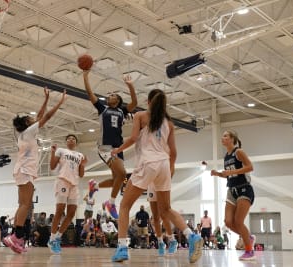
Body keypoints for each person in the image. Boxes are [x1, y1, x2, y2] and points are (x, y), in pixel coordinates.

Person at [110, 89, 203, 263]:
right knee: (166, 209)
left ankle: (122, 247)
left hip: (148, 163)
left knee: (124, 205)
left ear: (148, 101)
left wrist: (117, 150)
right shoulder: (169, 123)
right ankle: (191, 236)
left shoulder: (141, 116)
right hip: (164, 165)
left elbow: (132, 139)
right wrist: (170, 171)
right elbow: (173, 153)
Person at [3, 88, 66, 254]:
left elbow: (39, 115)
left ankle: (16, 237)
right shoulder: (29, 132)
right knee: (26, 204)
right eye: (30, 119)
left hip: (22, 170)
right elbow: (45, 117)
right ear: (27, 124)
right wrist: (59, 102)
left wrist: (46, 99)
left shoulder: (25, 133)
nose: (34, 119)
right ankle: (16, 236)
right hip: (25, 171)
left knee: (23, 204)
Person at [83, 70, 137, 219]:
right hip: (105, 147)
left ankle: (95, 187)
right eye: (109, 95)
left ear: (118, 100)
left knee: (117, 180)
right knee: (121, 174)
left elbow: (135, 103)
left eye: (113, 95)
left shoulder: (122, 111)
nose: (109, 96)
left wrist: (130, 86)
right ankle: (111, 203)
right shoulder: (103, 109)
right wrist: (85, 76)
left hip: (118, 147)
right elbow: (90, 93)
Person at [210, 130, 256, 261]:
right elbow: (230, 174)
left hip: (244, 189)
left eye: (225, 136)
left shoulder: (238, 152)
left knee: (238, 221)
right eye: (222, 136)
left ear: (232, 139)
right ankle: (248, 237)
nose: (222, 138)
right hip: (231, 190)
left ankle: (249, 250)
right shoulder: (226, 156)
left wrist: (232, 171)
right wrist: (218, 174)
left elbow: (250, 167)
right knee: (228, 222)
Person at [47, 133, 87, 254]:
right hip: (63, 180)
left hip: (74, 184)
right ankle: (52, 239)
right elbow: (52, 166)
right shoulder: (61, 150)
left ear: (76, 142)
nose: (71, 139)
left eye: (73, 138)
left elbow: (81, 174)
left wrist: (83, 165)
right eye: (69, 138)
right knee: (60, 210)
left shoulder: (80, 155)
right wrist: (52, 152)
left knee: (71, 214)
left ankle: (58, 237)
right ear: (66, 141)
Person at [147, 186, 178, 256]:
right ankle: (160, 242)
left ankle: (172, 240)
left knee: (164, 214)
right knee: (155, 217)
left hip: (162, 183)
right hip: (151, 184)